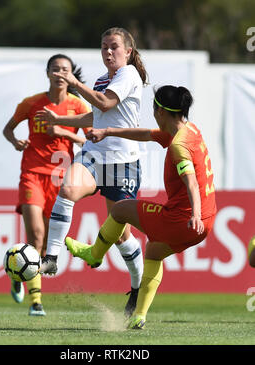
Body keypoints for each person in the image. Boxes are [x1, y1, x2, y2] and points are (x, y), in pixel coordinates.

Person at [65, 85, 217, 329]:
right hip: (206, 221)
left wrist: (194, 214)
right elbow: (147, 134)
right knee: (154, 251)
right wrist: (108, 131)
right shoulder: (190, 131)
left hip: (185, 218)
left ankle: (94, 254)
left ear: (161, 111)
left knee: (120, 209)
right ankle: (139, 316)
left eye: (154, 108)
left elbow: (191, 181)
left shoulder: (178, 145)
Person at [35, 27, 148, 316]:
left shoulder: (129, 75)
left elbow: (104, 102)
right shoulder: (101, 79)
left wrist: (74, 83)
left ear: (128, 52)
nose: (108, 52)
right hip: (95, 154)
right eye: (104, 47)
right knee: (68, 189)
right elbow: (95, 114)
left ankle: (137, 288)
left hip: (123, 162)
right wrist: (60, 118)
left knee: (122, 235)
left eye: (114, 47)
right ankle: (51, 257)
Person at [3, 54, 90, 316]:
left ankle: (18, 273)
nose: (60, 73)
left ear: (70, 74)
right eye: (55, 69)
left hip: (62, 179)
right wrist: (15, 142)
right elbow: (8, 129)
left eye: (65, 69)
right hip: (32, 173)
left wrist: (63, 131)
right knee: (37, 235)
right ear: (48, 73)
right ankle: (36, 302)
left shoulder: (78, 105)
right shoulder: (31, 103)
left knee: (46, 242)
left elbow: (91, 139)